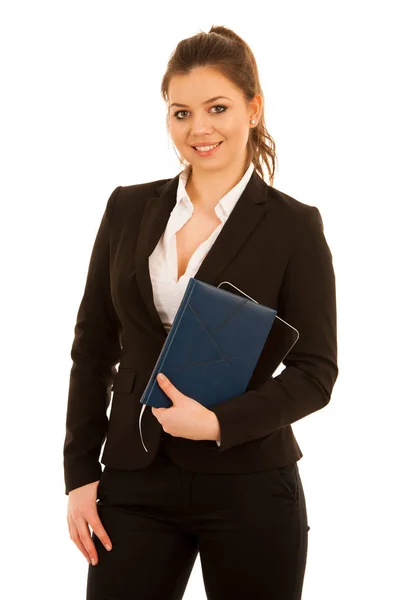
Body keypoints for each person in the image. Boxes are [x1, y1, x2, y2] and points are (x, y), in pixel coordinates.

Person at [64, 25, 338, 600]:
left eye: (217, 108)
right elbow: (92, 348)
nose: (199, 129)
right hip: (135, 478)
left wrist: (217, 424)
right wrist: (80, 475)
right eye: (180, 113)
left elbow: (317, 372)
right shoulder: (128, 208)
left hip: (249, 482)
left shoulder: (293, 226)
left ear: (253, 108)